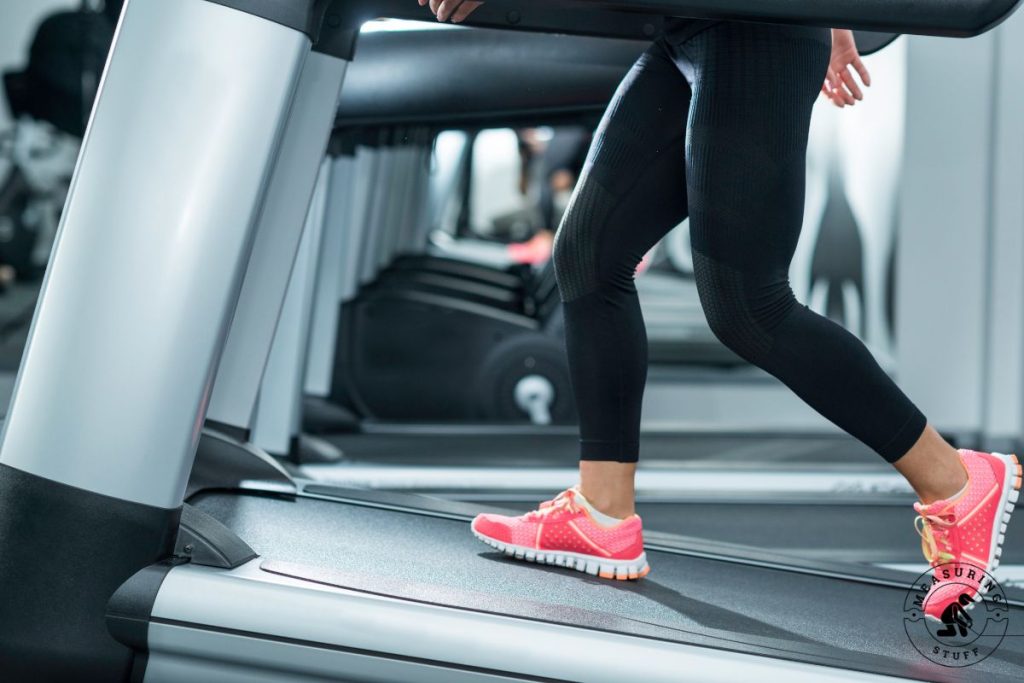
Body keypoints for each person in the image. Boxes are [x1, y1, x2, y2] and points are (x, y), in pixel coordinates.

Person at [421, 1, 1022, 617]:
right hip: (693, 27)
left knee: (748, 307)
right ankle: (603, 512)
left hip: (757, 27)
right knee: (589, 255)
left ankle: (954, 481)